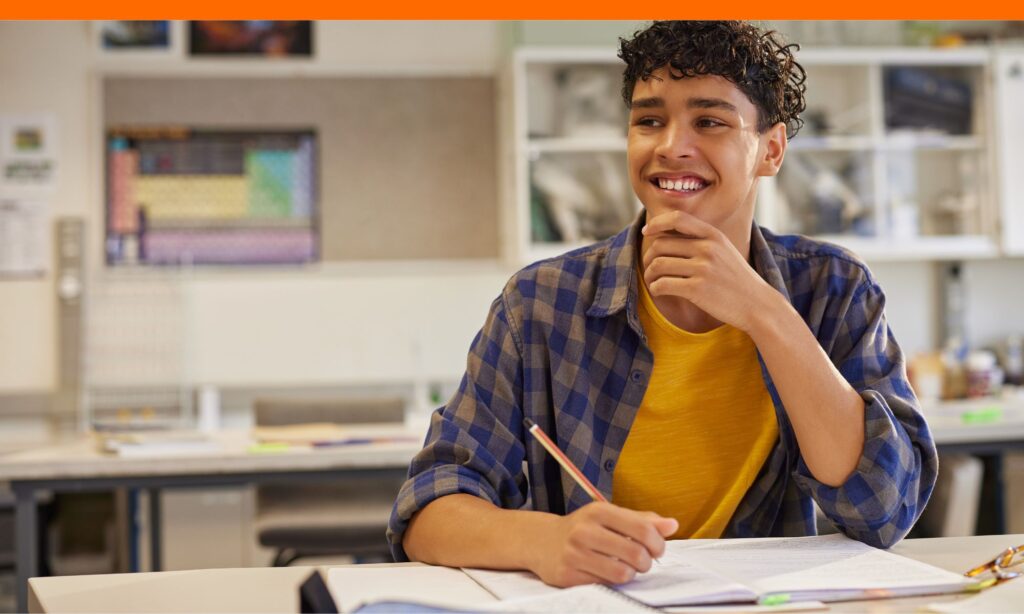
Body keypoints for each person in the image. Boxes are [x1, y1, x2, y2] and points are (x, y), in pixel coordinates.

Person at [387, 20, 937, 588]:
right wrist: (542, 540)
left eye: (710, 121)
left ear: (770, 150)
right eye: (649, 121)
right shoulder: (540, 304)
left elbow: (883, 508)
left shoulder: (834, 289)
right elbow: (426, 512)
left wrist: (765, 312)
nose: (671, 147)